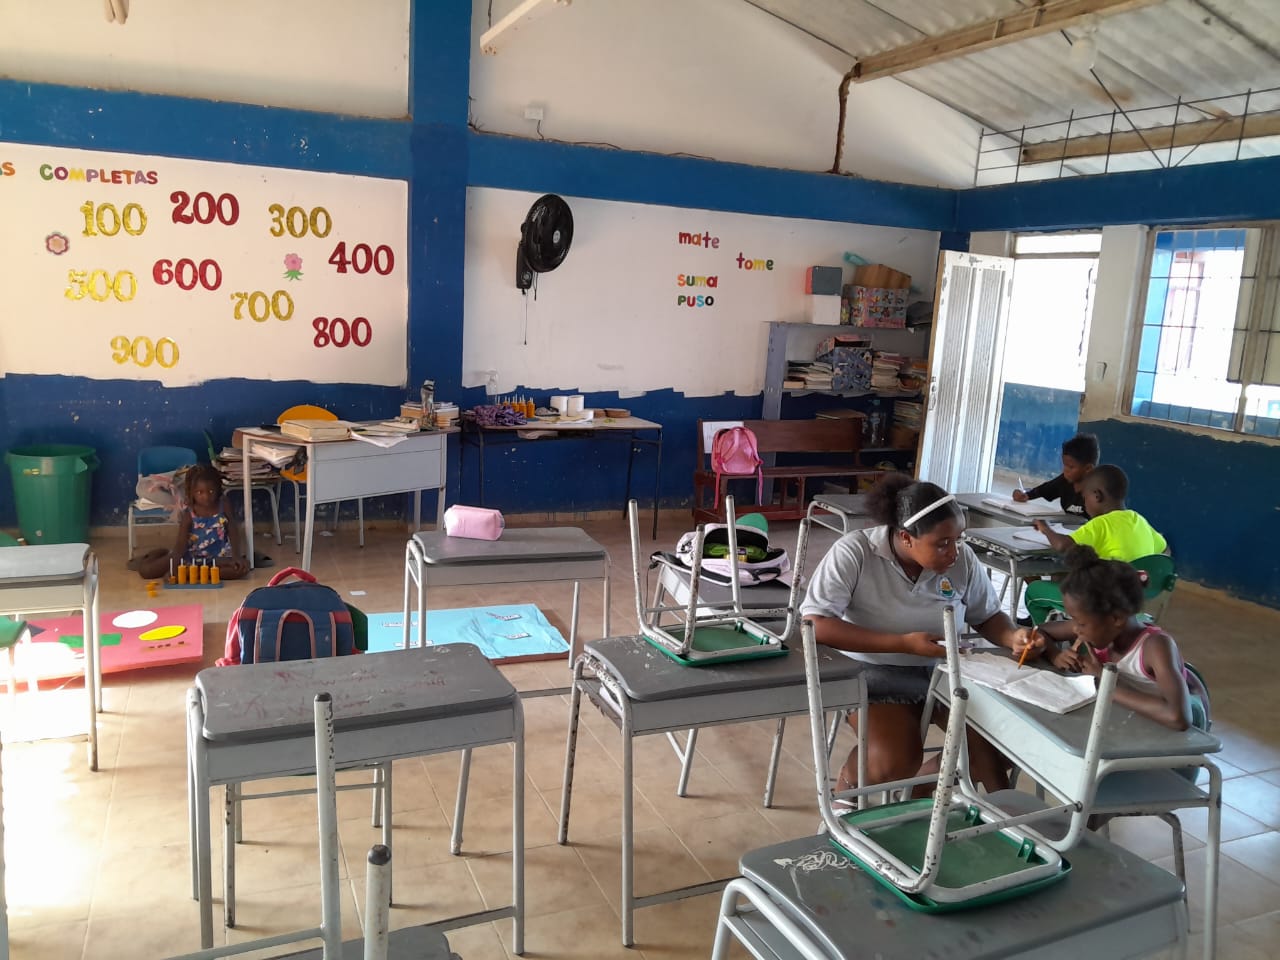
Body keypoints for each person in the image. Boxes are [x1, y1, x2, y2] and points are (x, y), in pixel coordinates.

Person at [801, 474, 1038, 795]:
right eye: (942, 544)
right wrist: (902, 644)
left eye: (958, 540)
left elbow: (988, 616)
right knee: (894, 761)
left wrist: (1013, 637)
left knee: (1003, 744)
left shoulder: (962, 560)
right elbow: (816, 623)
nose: (954, 552)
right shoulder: (856, 551)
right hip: (873, 672)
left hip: (945, 671)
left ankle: (918, 795)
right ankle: (848, 791)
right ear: (906, 537)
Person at [1029, 546, 1204, 730]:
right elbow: (1039, 632)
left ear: (1116, 618)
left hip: (1174, 735)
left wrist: (1101, 683)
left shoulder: (1155, 647)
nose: (1075, 630)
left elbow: (1178, 718)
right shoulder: (1101, 627)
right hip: (1130, 724)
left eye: (1080, 623)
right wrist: (1055, 654)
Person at [131, 464, 249, 581]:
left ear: (218, 489)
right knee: (146, 571)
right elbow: (180, 547)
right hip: (191, 557)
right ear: (191, 492)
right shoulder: (189, 513)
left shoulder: (224, 504)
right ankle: (162, 555)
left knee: (242, 568)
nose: (206, 497)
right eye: (200, 492)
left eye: (211, 491)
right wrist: (173, 569)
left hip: (219, 558)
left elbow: (232, 529)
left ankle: (195, 574)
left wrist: (236, 556)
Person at [1033, 464, 1166, 561]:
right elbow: (1162, 545)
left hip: (1107, 589)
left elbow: (1062, 546)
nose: (1085, 504)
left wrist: (1046, 529)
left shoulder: (1101, 524)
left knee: (1039, 586)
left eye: (1085, 498)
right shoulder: (1138, 519)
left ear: (1097, 496)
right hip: (1138, 589)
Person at [1012, 432, 1098, 517]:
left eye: (1071, 467)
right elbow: (1043, 490)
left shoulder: (1097, 492)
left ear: (1088, 469)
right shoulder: (1064, 481)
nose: (1065, 470)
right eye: (1064, 465)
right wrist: (1026, 495)